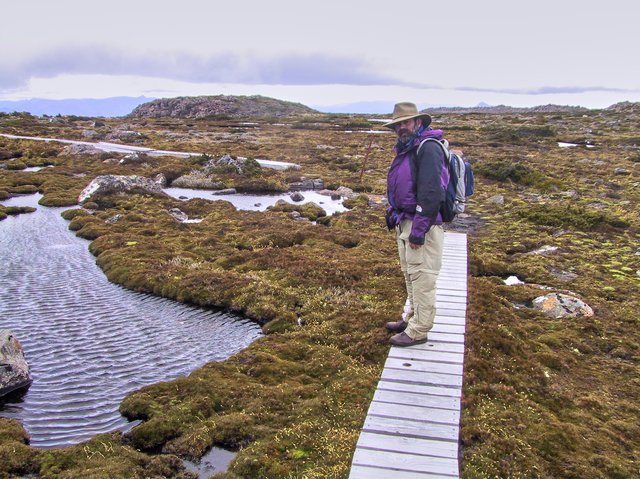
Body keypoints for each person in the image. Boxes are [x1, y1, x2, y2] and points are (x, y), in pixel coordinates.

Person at [383, 102, 448, 347]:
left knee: (422, 277)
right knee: (410, 274)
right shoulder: (407, 148)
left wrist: (419, 231)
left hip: (423, 225)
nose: (401, 127)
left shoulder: (428, 148)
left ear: (418, 122)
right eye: (397, 124)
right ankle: (412, 317)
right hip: (405, 221)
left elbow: (432, 193)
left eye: (406, 122)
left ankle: (419, 330)